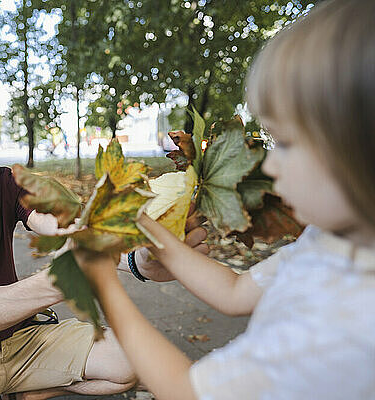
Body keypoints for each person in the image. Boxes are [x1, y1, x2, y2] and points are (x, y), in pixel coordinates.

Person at [73, 1, 375, 399]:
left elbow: (186, 391)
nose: (271, 164)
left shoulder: (348, 322)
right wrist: (148, 230)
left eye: (285, 143)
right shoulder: (330, 239)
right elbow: (236, 292)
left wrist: (104, 284)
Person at [0, 74, 207, 400]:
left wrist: (136, 261)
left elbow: (70, 229)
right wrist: (66, 279)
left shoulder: (6, 182)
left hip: (25, 340)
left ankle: (29, 393)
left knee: (133, 361)